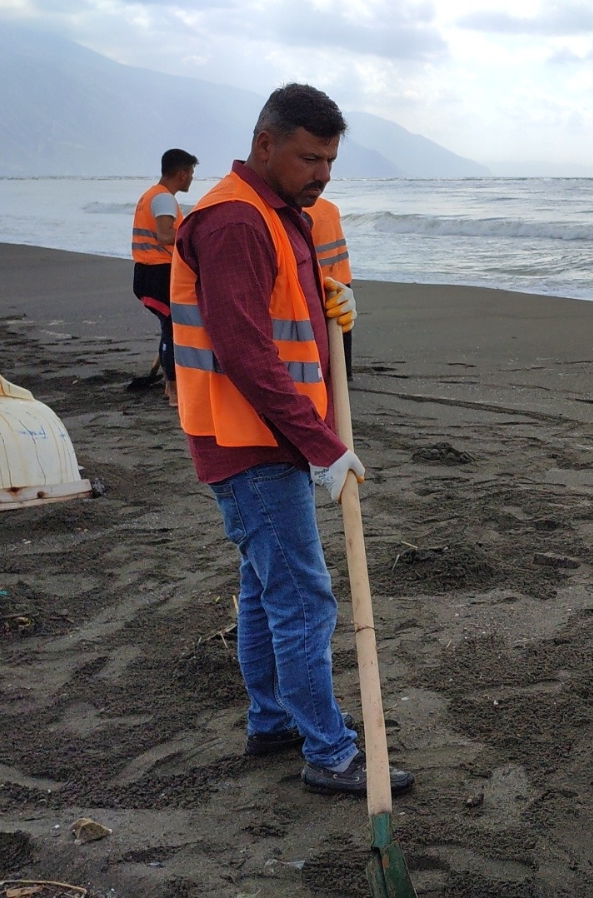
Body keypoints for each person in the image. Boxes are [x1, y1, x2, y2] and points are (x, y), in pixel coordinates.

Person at [170, 83, 406, 797]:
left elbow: (282, 324)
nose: (323, 174)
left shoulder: (279, 213)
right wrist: (324, 445)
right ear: (265, 145)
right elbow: (246, 353)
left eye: (331, 161)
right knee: (304, 600)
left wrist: (336, 308)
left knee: (265, 586)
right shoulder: (236, 220)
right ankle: (329, 751)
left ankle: (272, 720)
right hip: (252, 443)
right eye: (310, 158)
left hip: (268, 438)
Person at [131, 148, 198, 406]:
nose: (192, 178)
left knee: (169, 326)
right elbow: (164, 235)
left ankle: (169, 385)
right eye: (191, 173)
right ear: (182, 174)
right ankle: (174, 391)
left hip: (146, 272)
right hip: (157, 274)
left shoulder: (151, 195)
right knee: (172, 328)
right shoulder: (164, 199)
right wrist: (194, 235)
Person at [307, 196, 357, 380]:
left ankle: (331, 374)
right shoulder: (331, 207)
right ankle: (346, 372)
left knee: (321, 330)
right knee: (343, 326)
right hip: (342, 276)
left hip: (321, 281)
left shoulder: (304, 212)